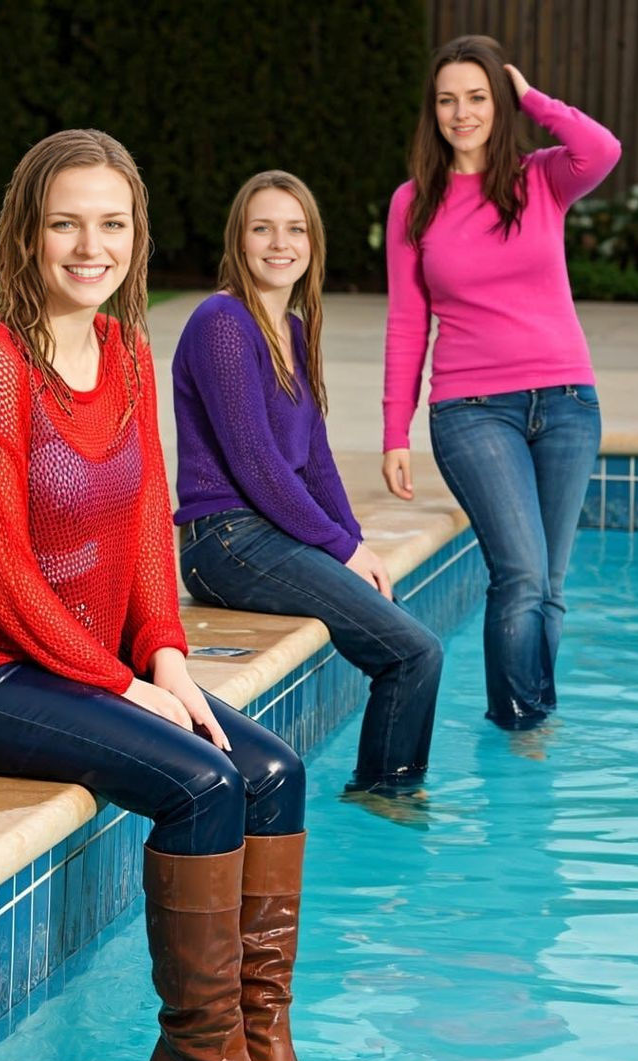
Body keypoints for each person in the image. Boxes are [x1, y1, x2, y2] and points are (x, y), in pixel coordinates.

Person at [0, 130, 350, 1061]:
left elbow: (145, 535)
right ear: (26, 233)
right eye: (64, 224)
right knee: (198, 783)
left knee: (274, 771)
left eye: (110, 223)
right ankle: (197, 1046)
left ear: (136, 236)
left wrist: (170, 662)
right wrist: (119, 683)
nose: (88, 246)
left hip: (74, 665)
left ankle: (263, 1038)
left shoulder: (128, 352)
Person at [172, 170, 443, 797]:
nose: (279, 243)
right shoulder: (222, 321)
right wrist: (340, 548)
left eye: (295, 229)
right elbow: (258, 467)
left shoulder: (290, 329)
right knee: (413, 653)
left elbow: (314, 460)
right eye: (262, 228)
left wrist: (356, 544)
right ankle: (386, 796)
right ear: (238, 240)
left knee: (405, 636)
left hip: (266, 535)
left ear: (313, 243)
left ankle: (392, 789)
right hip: (227, 540)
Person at [382, 36, 621, 731]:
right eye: (448, 100)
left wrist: (533, 97)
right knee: (519, 573)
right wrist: (394, 432)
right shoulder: (414, 203)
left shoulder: (542, 178)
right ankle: (521, 727)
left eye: (478, 97)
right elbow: (405, 325)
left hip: (570, 402)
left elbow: (601, 149)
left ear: (501, 102)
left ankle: (531, 724)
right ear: (432, 111)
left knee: (549, 586)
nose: (462, 113)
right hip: (472, 410)